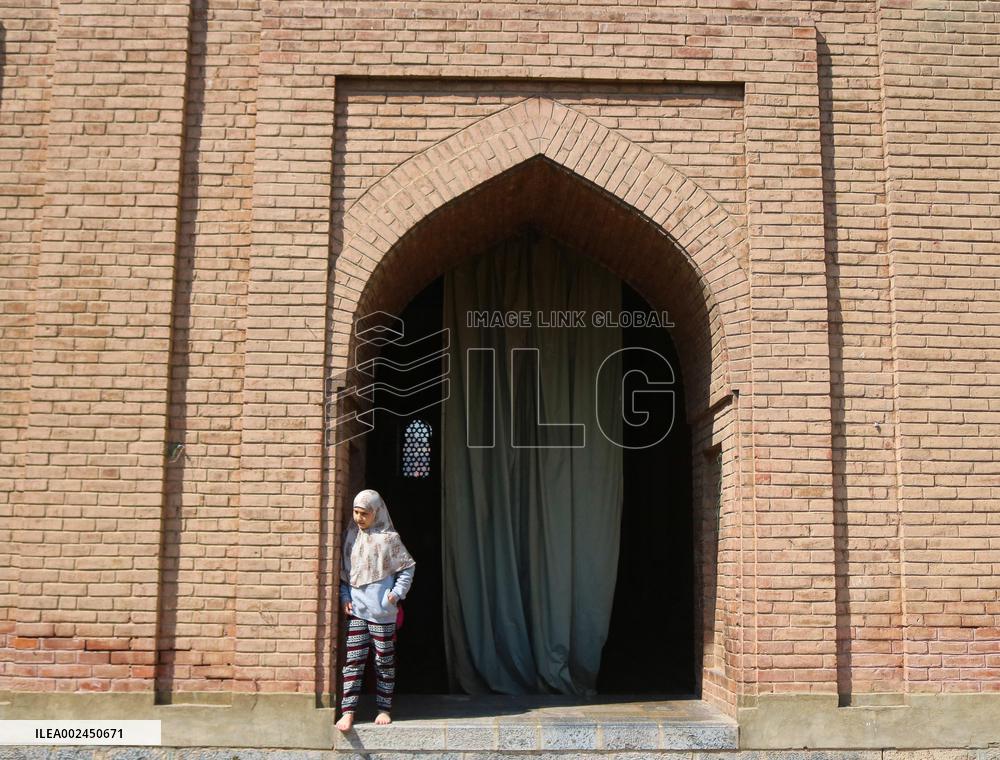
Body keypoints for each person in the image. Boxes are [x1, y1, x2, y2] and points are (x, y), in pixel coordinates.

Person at [336, 489, 415, 731]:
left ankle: (384, 708)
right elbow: (343, 574)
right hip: (357, 611)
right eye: (356, 512)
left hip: (382, 614)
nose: (359, 518)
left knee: (383, 661)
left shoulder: (389, 539)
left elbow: (407, 568)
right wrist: (344, 596)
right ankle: (347, 712)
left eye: (365, 513)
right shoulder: (351, 536)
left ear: (376, 513)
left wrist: (396, 594)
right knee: (353, 662)